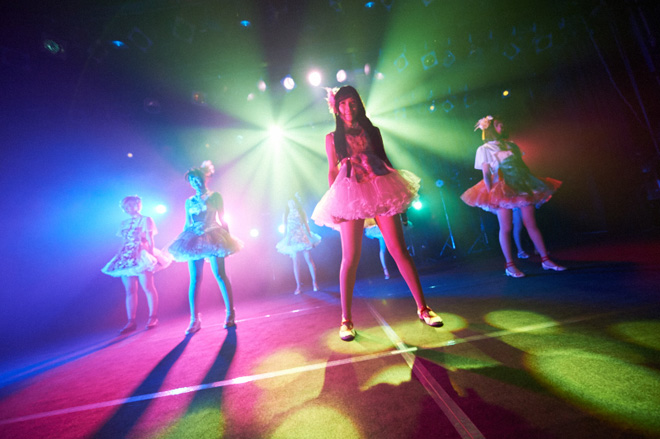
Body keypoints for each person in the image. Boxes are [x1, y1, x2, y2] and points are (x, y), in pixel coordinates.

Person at [311, 85, 443, 341]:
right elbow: (332, 169)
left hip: (380, 186)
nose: (348, 108)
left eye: (352, 102)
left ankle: (423, 308)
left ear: (358, 104)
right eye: (343, 103)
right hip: (350, 192)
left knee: (399, 249)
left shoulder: (372, 131)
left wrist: (400, 201)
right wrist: (335, 202)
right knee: (350, 257)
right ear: (336, 108)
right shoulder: (332, 138)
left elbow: (384, 160)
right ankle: (346, 320)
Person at [460, 115, 566, 277]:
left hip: (520, 185)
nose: (501, 126)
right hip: (500, 187)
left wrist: (532, 184)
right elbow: (486, 173)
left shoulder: (511, 145)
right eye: (498, 124)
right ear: (490, 128)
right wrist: (490, 194)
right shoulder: (484, 149)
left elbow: (522, 167)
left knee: (531, 223)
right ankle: (509, 265)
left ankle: (545, 259)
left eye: (502, 124)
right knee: (506, 227)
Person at [167, 162, 243, 334]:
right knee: (195, 279)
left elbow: (223, 218)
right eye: (192, 180)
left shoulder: (215, 196)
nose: (196, 182)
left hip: (214, 234)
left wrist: (227, 239)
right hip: (194, 237)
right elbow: (187, 223)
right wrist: (183, 240)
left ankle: (230, 313)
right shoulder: (189, 201)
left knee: (220, 274)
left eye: (197, 179)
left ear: (204, 178)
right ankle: (194, 319)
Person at [102, 195, 171, 334]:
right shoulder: (123, 223)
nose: (129, 208)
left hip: (141, 253)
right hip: (126, 255)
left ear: (138, 205)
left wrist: (150, 255)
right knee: (130, 290)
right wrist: (119, 256)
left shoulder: (146, 219)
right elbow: (123, 242)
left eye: (132, 205)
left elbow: (150, 239)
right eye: (126, 206)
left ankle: (153, 317)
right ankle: (131, 321)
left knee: (147, 286)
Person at [276, 194, 321, 294]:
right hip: (292, 238)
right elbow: (285, 227)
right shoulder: (286, 213)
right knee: (295, 262)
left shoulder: (301, 211)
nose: (291, 203)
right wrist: (285, 239)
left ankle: (314, 283)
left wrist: (310, 238)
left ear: (295, 202)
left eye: (293, 201)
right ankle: (298, 286)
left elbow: (306, 225)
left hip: (302, 236)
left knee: (308, 259)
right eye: (289, 202)